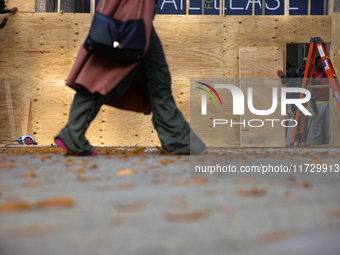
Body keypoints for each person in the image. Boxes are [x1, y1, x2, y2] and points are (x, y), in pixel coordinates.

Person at [54, 0, 206, 156]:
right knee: (110, 77)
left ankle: (178, 140)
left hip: (137, 14)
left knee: (157, 79)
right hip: (128, 13)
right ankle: (73, 134)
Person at [277, 58, 310, 146]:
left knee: (292, 120)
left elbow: (283, 81)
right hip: (303, 99)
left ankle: (291, 142)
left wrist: (282, 76)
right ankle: (300, 141)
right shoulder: (310, 74)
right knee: (302, 120)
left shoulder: (293, 73)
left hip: (292, 100)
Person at [312, 56, 329, 145]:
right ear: (315, 65)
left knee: (330, 122)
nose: (321, 63)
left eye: (322, 62)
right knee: (317, 122)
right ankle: (316, 141)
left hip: (330, 100)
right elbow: (315, 81)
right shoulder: (314, 73)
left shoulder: (330, 73)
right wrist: (323, 74)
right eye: (319, 62)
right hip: (319, 100)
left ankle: (331, 140)